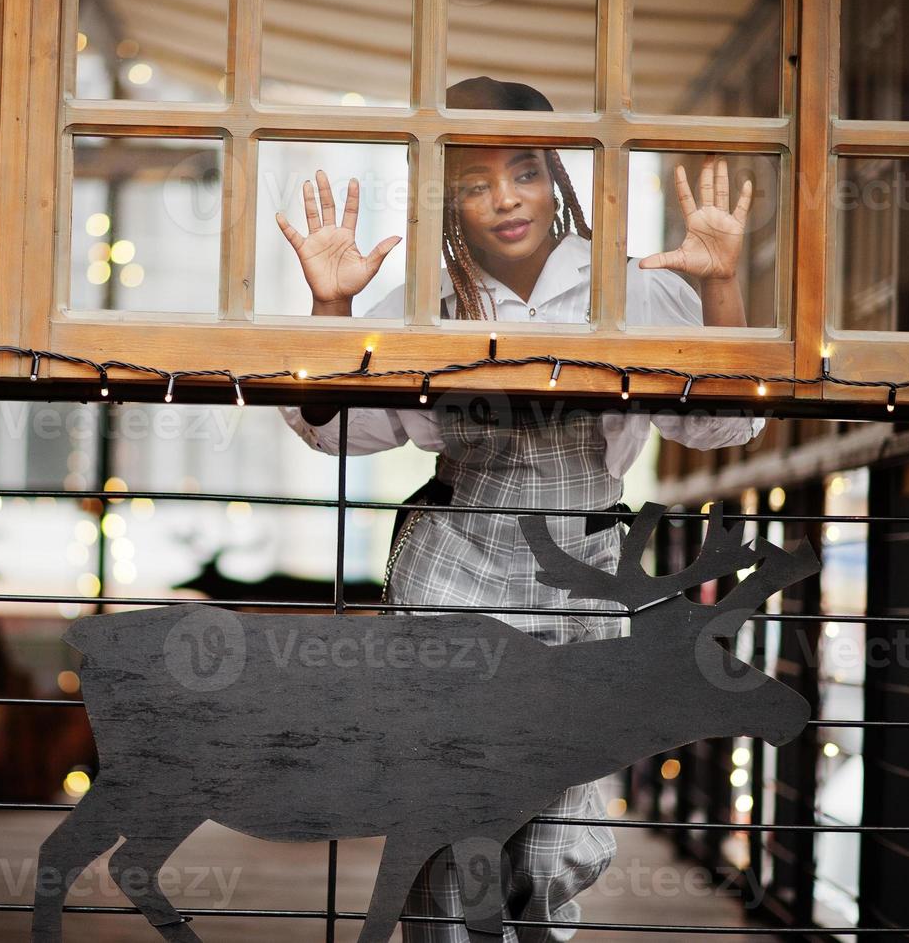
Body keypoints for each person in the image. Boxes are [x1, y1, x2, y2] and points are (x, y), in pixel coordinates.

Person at [273, 76, 766, 943]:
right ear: (446, 199)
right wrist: (330, 309)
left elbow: (727, 420)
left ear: (558, 179)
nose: (503, 198)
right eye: (473, 181)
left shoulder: (630, 286)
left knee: (558, 838)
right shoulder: (426, 299)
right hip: (459, 554)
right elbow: (336, 430)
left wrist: (719, 287)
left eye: (525, 171)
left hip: (585, 570)